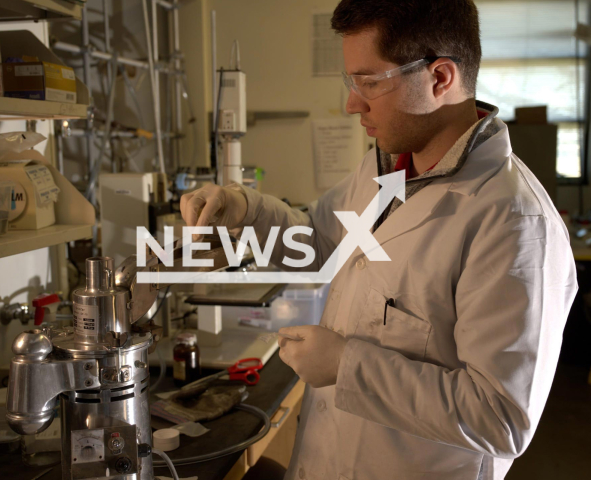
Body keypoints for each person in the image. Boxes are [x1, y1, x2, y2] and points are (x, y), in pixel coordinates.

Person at [180, 1, 578, 479]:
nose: (352, 103)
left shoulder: (513, 221)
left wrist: (348, 366)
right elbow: (322, 243)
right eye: (352, 83)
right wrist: (246, 209)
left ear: (440, 78)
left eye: (370, 83)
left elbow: (500, 419)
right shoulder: (387, 168)